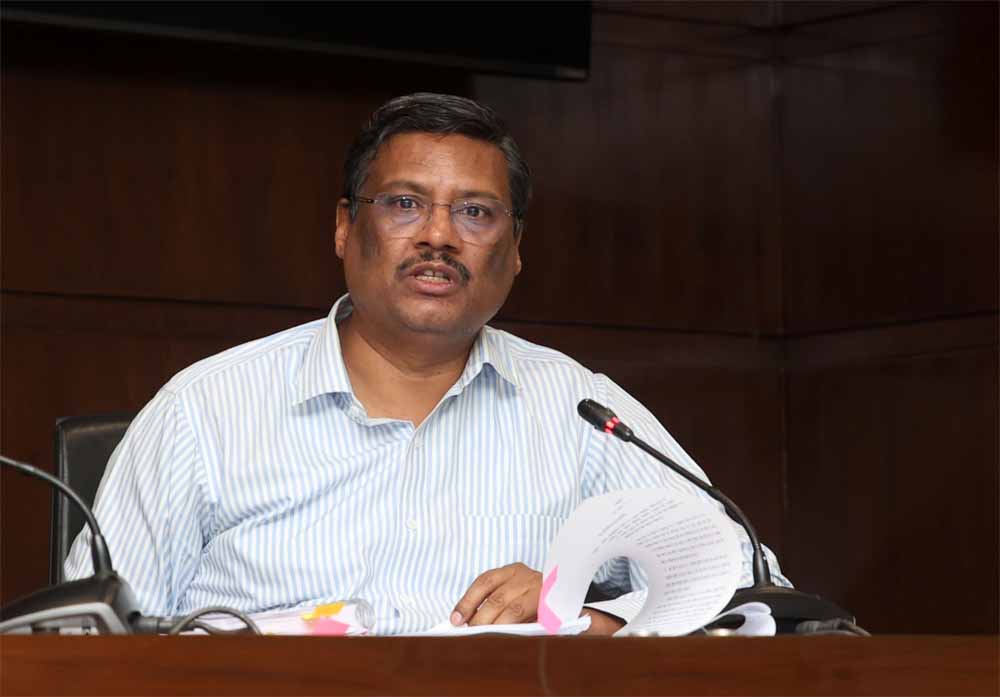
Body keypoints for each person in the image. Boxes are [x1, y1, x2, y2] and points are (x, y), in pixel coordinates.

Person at [66, 93, 788, 635]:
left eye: (476, 213)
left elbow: (753, 588)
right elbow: (82, 635)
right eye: (406, 204)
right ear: (345, 227)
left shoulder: (581, 412)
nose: (439, 236)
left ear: (515, 250)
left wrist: (595, 618)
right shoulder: (205, 410)